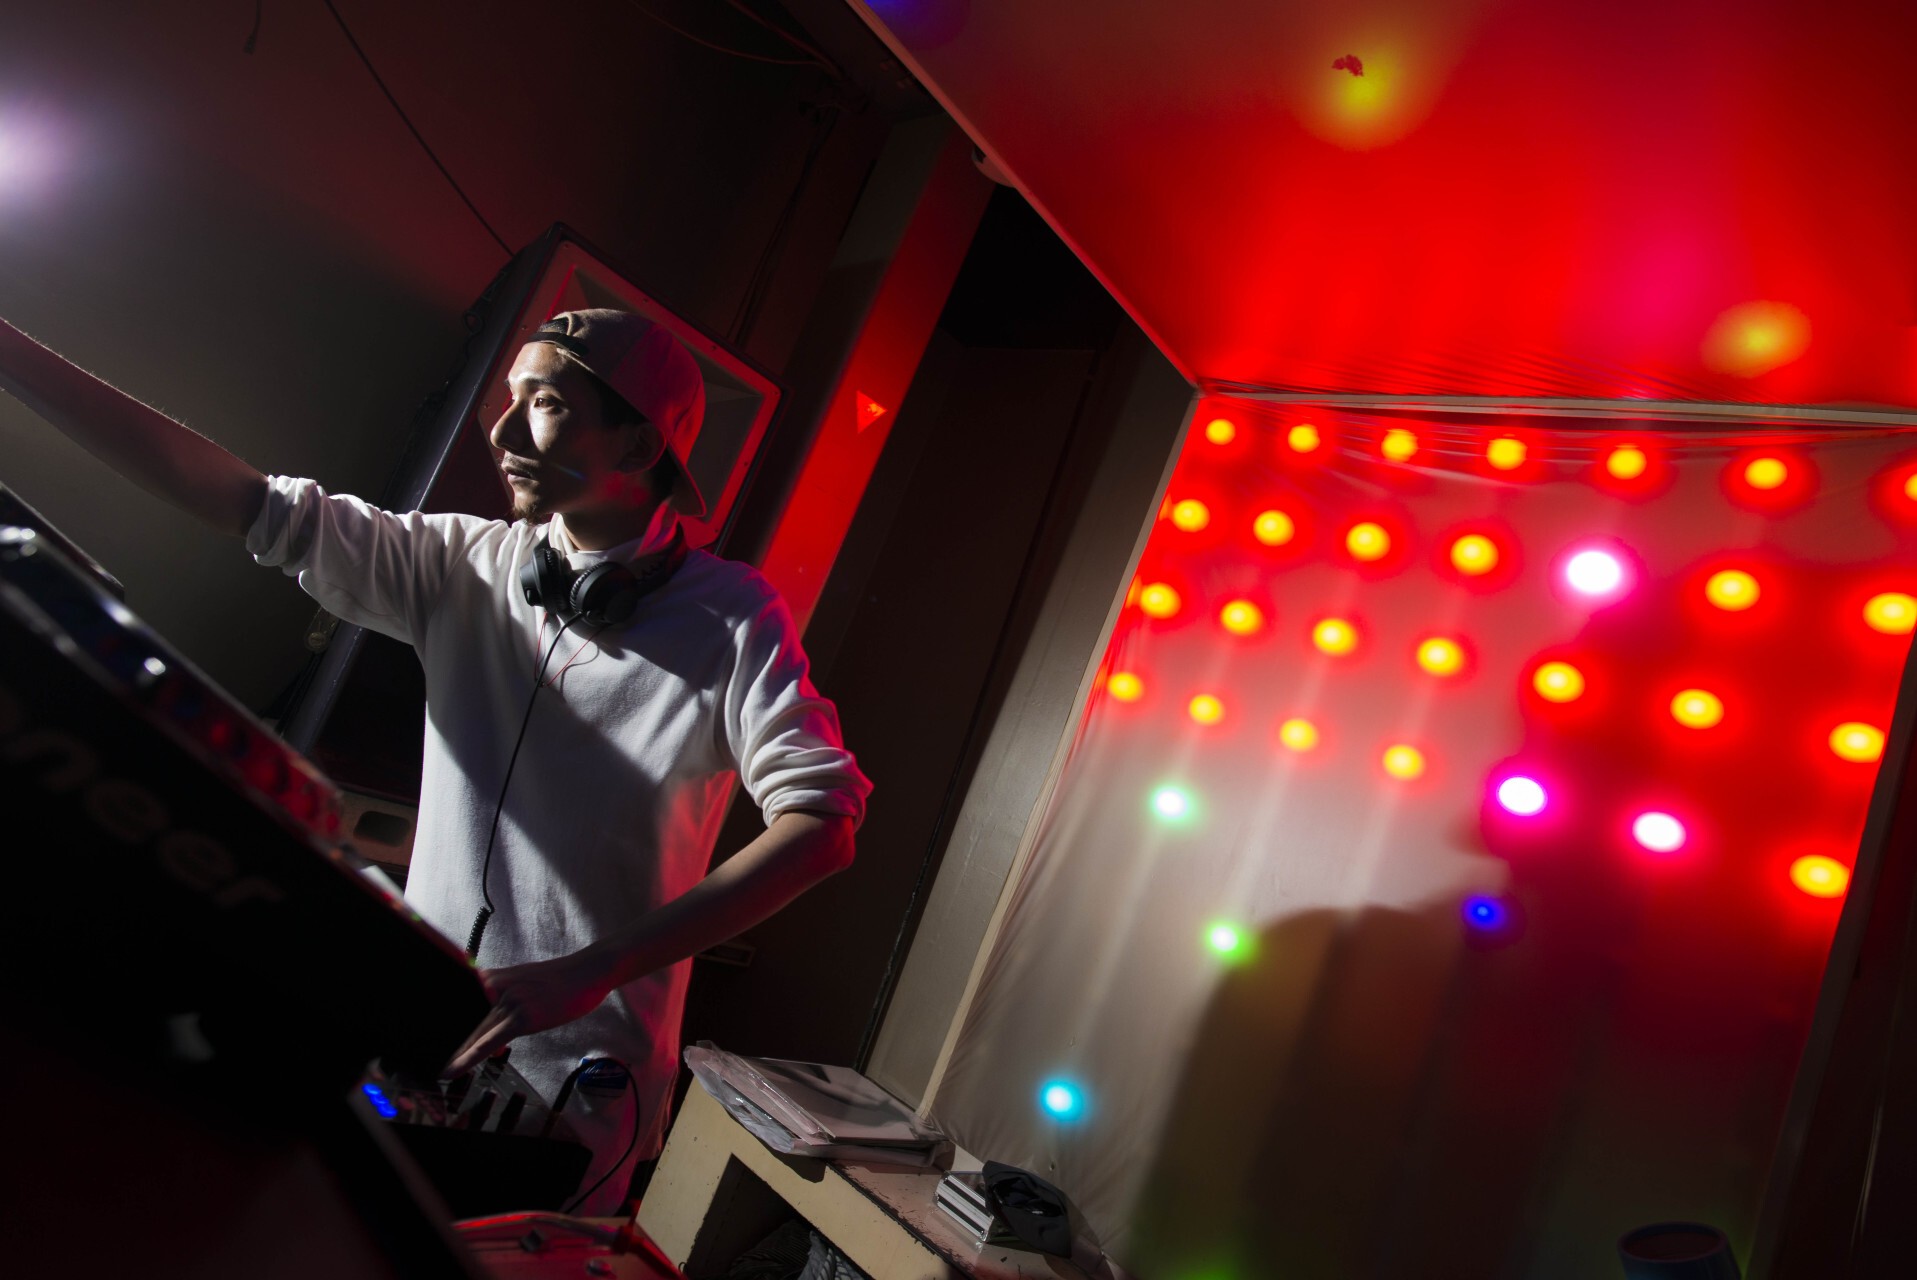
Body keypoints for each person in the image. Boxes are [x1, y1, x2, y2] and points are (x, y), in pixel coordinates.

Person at [0, 308, 872, 1213]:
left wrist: (595, 967)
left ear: (640, 440)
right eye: (509, 399)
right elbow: (245, 501)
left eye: (545, 404)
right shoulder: (467, 563)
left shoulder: (732, 617)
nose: (503, 431)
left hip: (576, 1086)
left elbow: (824, 826)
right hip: (415, 1034)